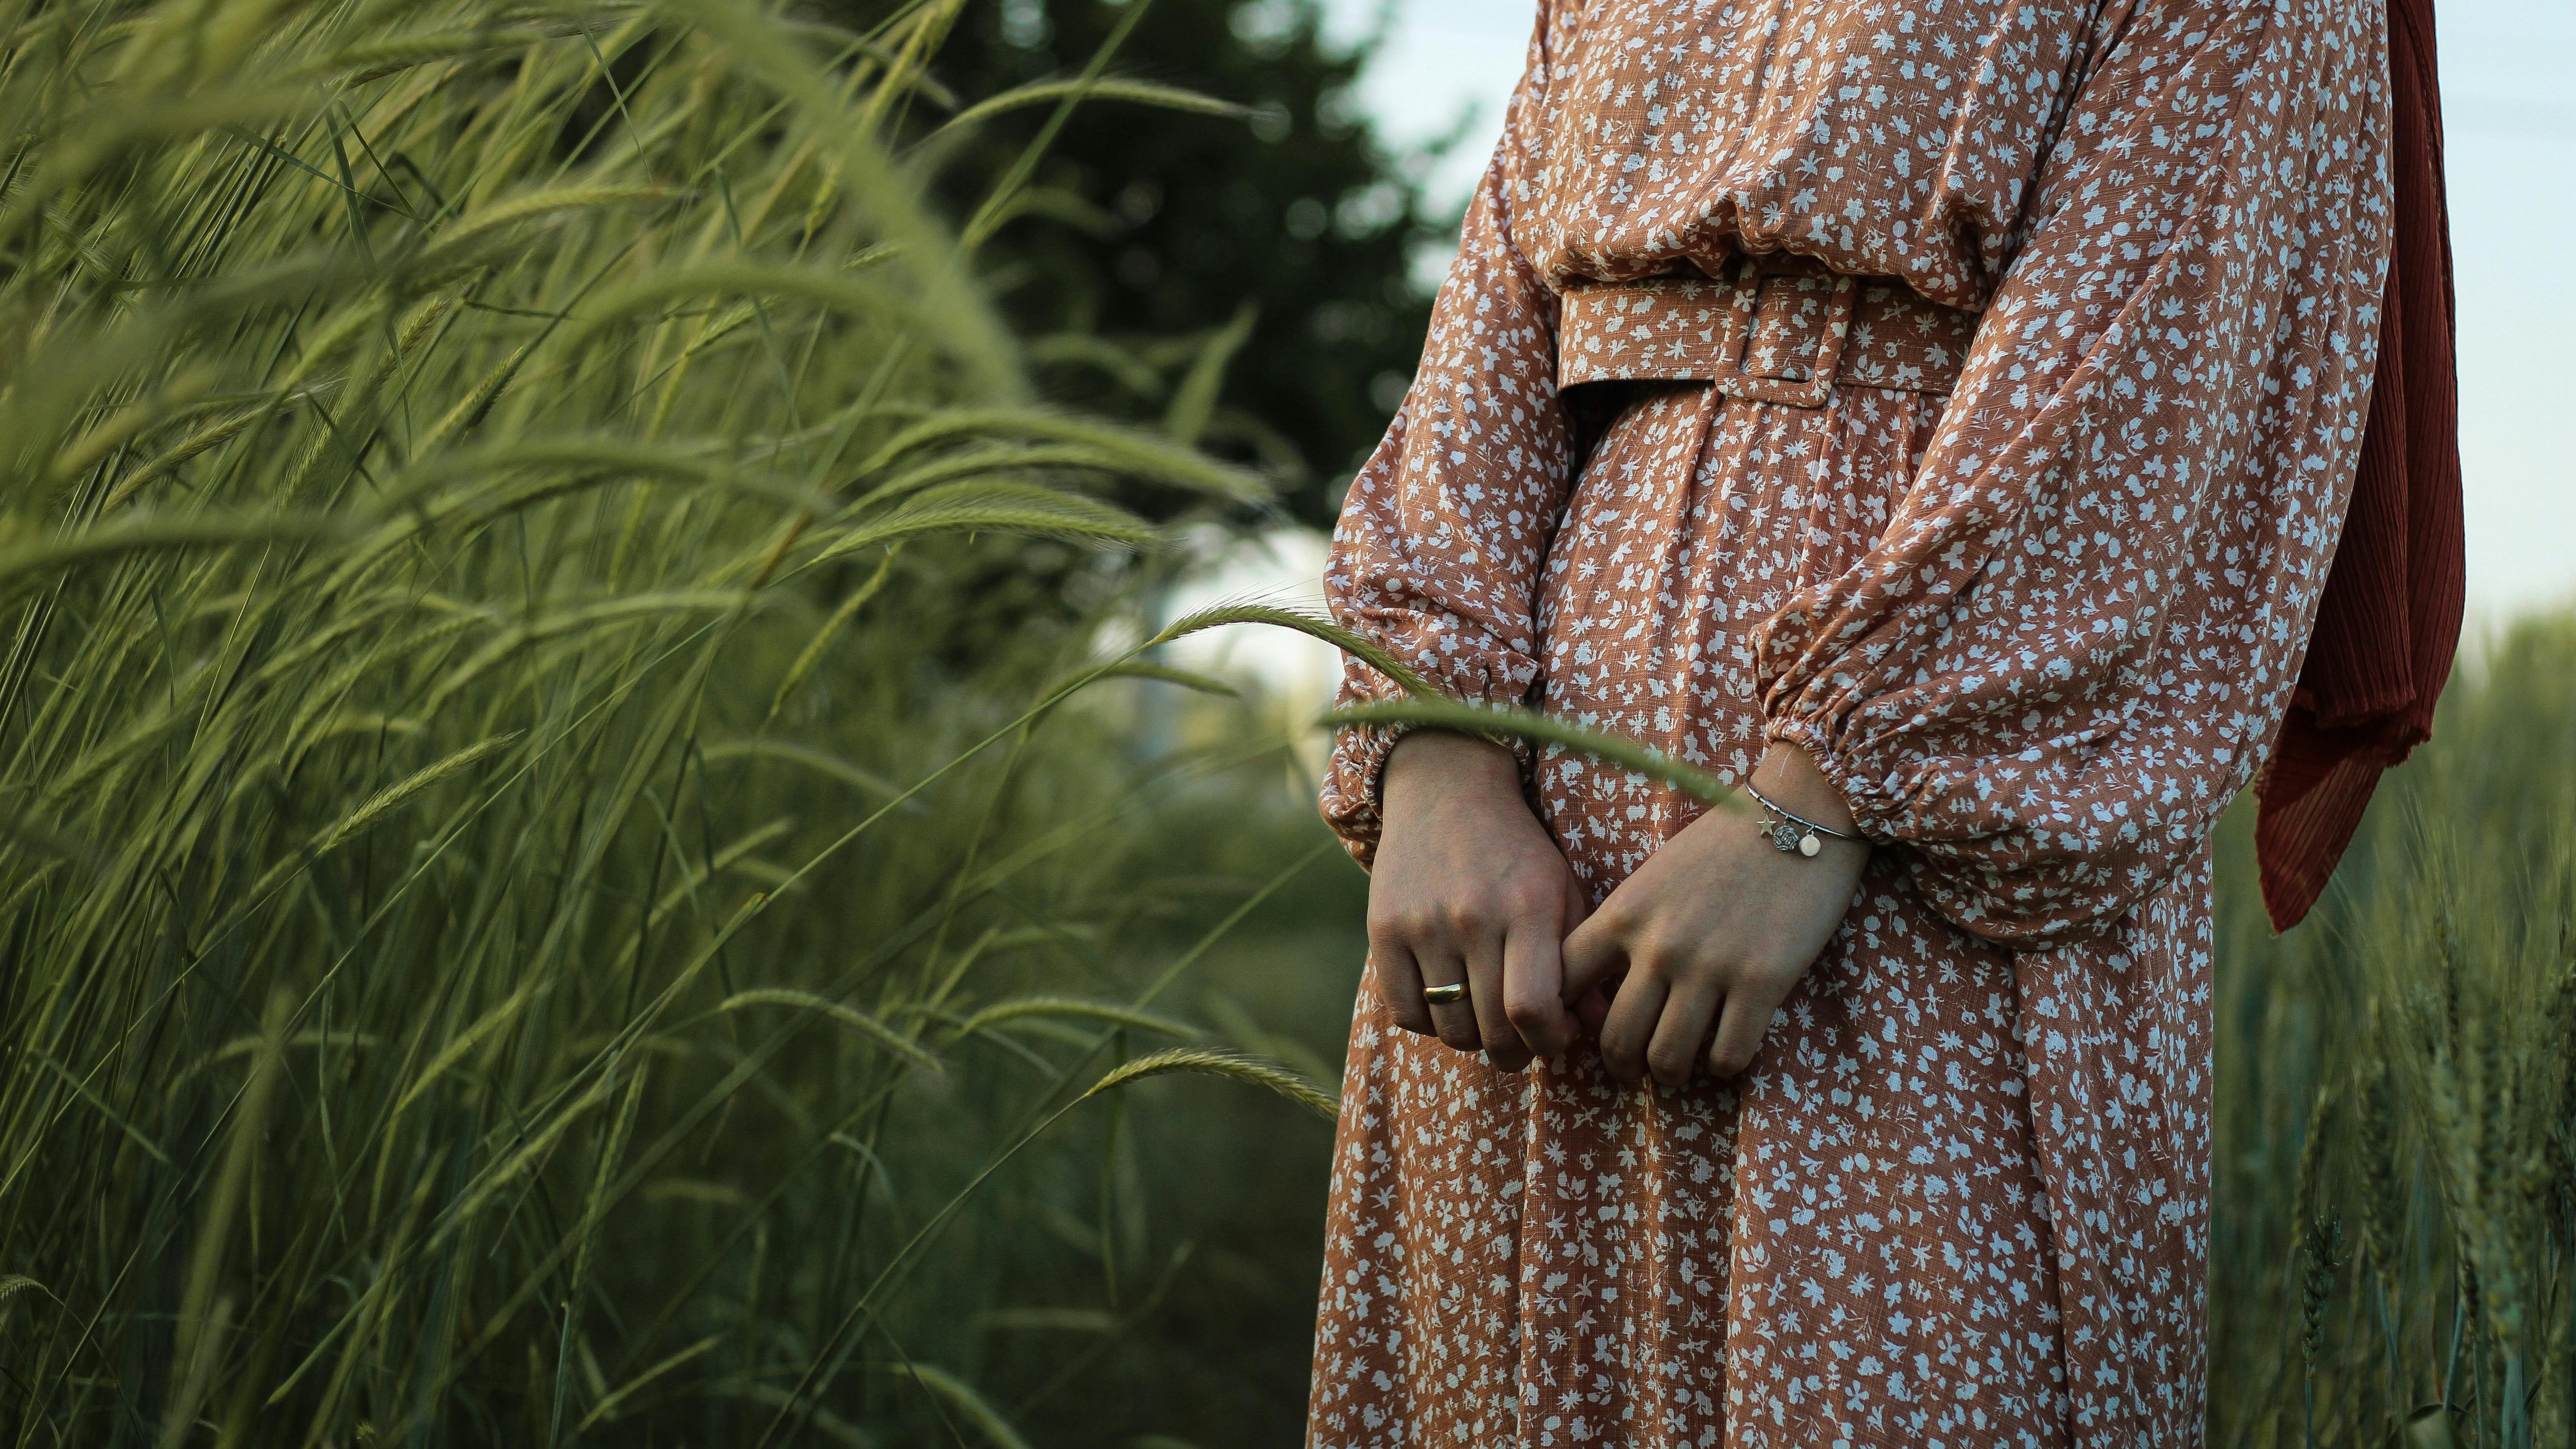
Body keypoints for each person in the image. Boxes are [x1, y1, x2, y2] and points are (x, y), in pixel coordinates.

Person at [1303, 0, 2456, 1444]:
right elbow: (1489, 341)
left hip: (1917, 894)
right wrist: (1440, 751)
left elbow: (2156, 364)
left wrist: (1819, 804)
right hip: (1510, 912)